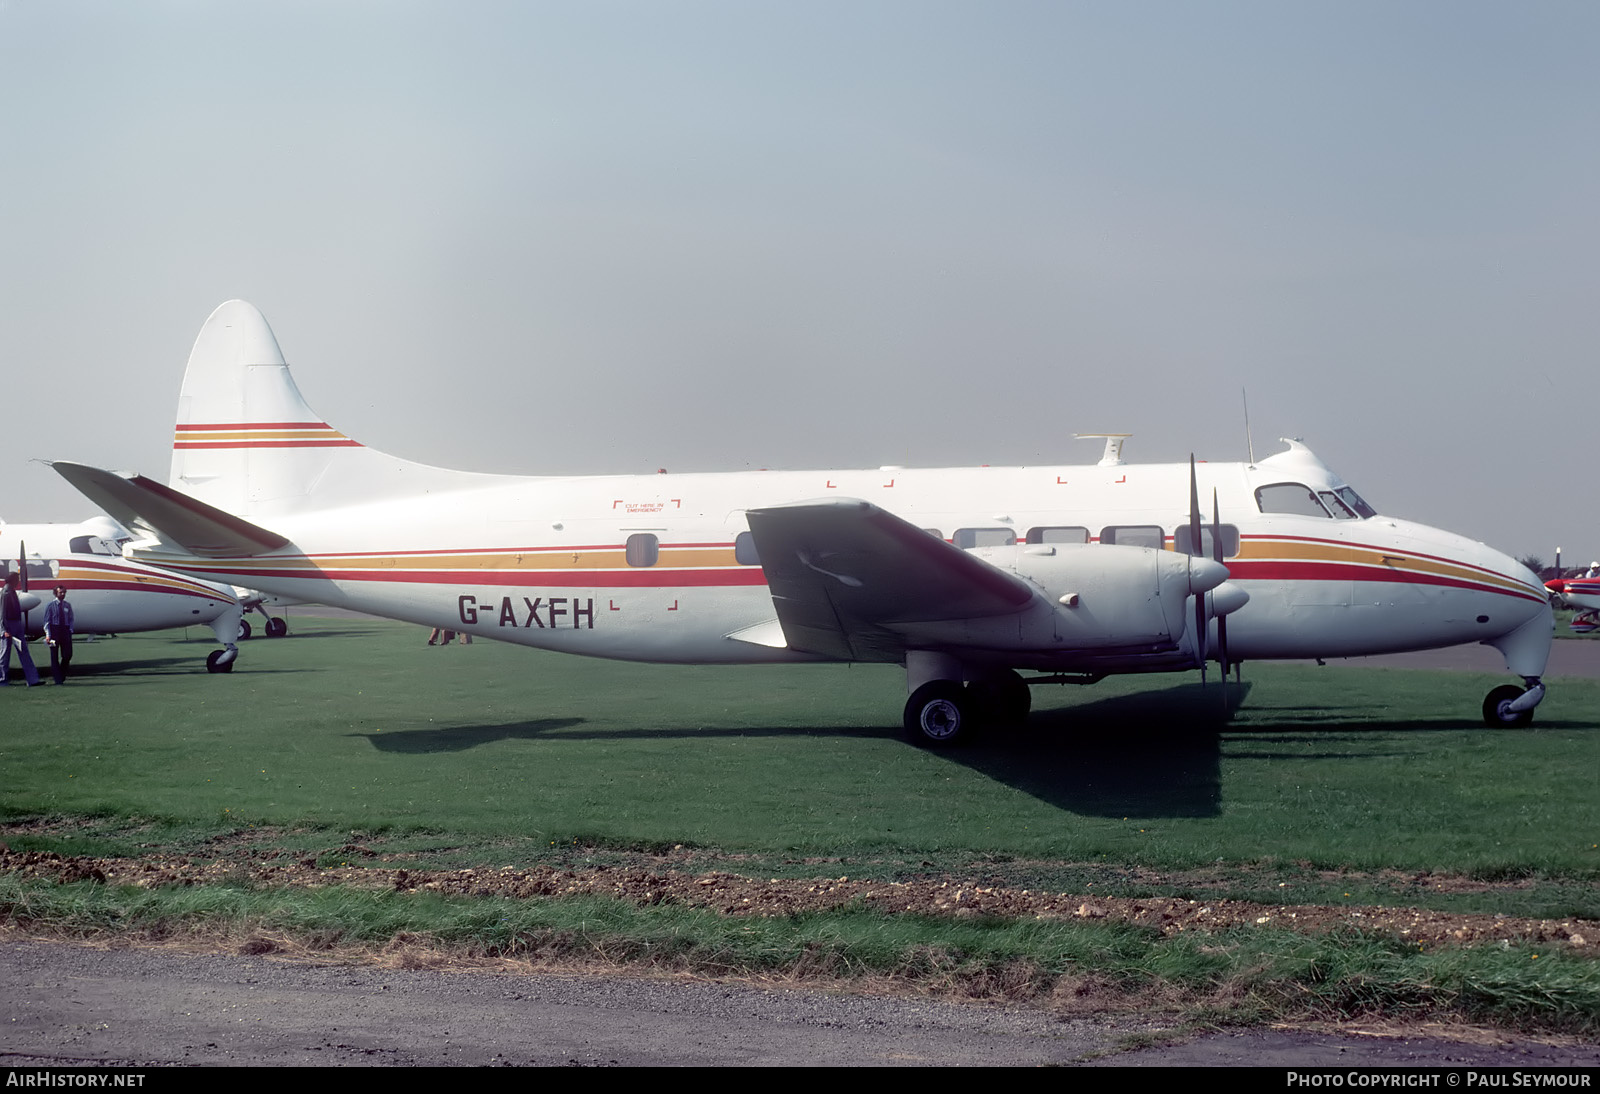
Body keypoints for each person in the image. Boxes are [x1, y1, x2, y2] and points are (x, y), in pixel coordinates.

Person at [1, 571, 40, 687]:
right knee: (4, 654)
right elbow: (1, 613)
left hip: (16, 624)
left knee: (23, 652)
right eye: (17, 579)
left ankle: (32, 679)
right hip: (9, 625)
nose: (18, 581)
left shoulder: (11, 592)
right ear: (12, 580)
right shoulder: (6, 593)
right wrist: (3, 630)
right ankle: (2, 680)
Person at [43, 584, 74, 685]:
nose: (63, 594)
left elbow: (71, 618)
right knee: (54, 656)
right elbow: (46, 621)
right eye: (61, 592)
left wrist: (70, 629)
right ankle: (58, 679)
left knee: (68, 654)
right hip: (54, 630)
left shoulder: (67, 605)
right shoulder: (50, 606)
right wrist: (48, 634)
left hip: (65, 630)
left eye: (64, 592)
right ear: (56, 593)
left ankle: (62, 673)